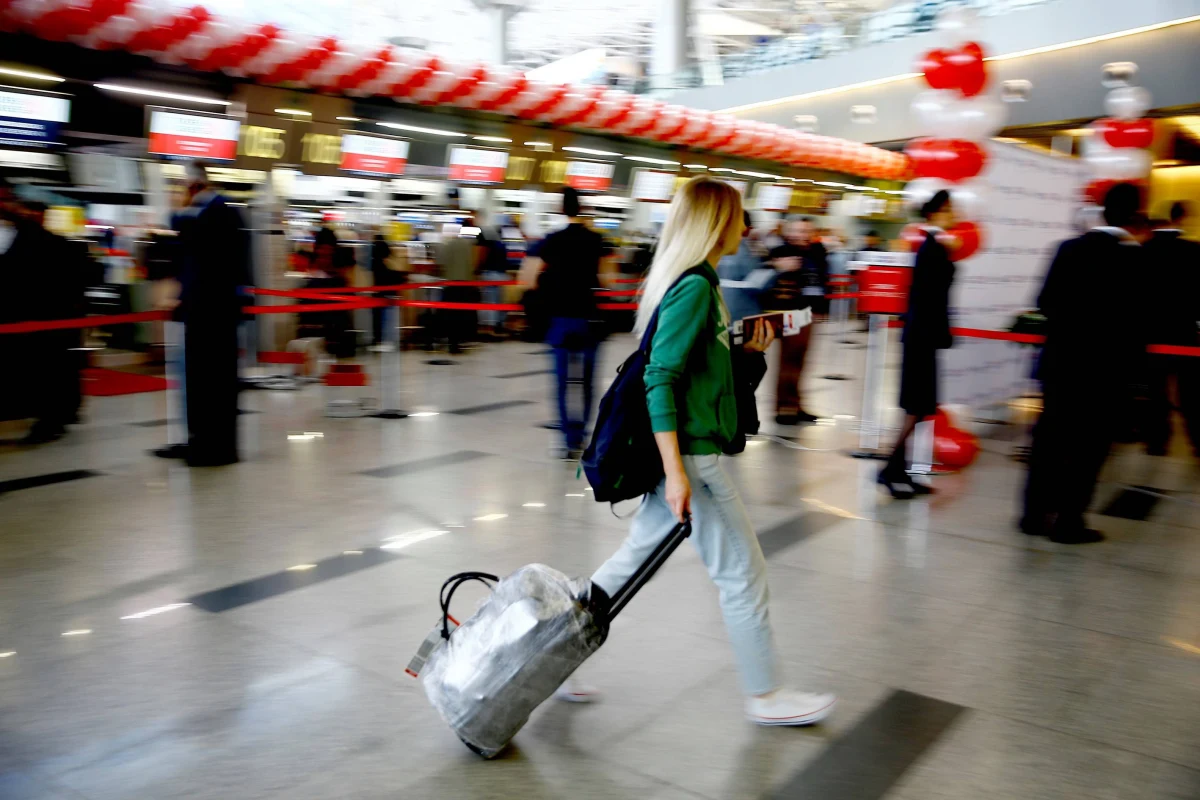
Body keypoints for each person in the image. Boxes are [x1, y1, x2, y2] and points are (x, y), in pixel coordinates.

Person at [587, 177, 836, 726]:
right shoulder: (696, 286)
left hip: (688, 458)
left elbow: (701, 376)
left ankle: (553, 651)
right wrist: (676, 474)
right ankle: (767, 696)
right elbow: (660, 378)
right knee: (743, 576)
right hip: (693, 462)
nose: (746, 228)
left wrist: (745, 350)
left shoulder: (698, 282)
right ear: (715, 223)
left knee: (629, 565)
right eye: (738, 217)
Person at [1020, 182, 1147, 544]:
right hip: (1106, 372)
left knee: (1048, 441)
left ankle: (1033, 514)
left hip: (1060, 363)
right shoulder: (1135, 258)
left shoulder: (1068, 248)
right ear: (1135, 215)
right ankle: (1068, 521)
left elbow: (1044, 302)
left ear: (1102, 211)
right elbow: (1140, 321)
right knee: (1089, 447)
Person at [160, 161, 250, 467]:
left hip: (213, 313)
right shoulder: (218, 212)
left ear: (194, 185)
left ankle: (215, 447)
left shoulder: (216, 213)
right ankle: (201, 440)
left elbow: (202, 258)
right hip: (206, 311)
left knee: (213, 382)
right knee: (203, 381)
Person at [877, 190, 957, 499]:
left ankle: (897, 469)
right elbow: (930, 299)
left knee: (920, 408)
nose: (954, 214)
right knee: (916, 407)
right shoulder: (932, 248)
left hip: (922, 336)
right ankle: (889, 469)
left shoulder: (933, 246)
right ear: (936, 212)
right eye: (949, 209)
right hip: (922, 337)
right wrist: (942, 333)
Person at [530, 187, 608, 458]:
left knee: (562, 382)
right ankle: (582, 435)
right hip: (589, 318)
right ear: (582, 207)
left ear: (561, 209)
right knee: (587, 381)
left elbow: (526, 278)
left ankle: (567, 440)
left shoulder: (551, 240)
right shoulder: (597, 240)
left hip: (560, 319)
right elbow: (609, 280)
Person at [1142, 202, 1200, 457]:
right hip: (1184, 332)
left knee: (1155, 391)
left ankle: (1157, 441)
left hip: (1150, 332)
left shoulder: (1142, 252)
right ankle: (1197, 440)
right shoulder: (1193, 251)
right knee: (1191, 392)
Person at [765, 217, 828, 424]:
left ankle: (796, 403)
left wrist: (822, 309)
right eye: (797, 231)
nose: (801, 235)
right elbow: (765, 279)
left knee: (800, 362)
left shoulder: (817, 253)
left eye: (806, 231)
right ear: (789, 232)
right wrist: (778, 267)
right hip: (787, 313)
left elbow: (821, 281)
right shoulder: (780, 253)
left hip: (808, 313)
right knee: (788, 362)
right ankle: (784, 407)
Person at [369, 230, 394, 346]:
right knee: (383, 315)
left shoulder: (373, 260)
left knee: (375, 316)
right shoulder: (383, 264)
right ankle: (382, 336)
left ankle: (376, 337)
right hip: (383, 290)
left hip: (375, 290)